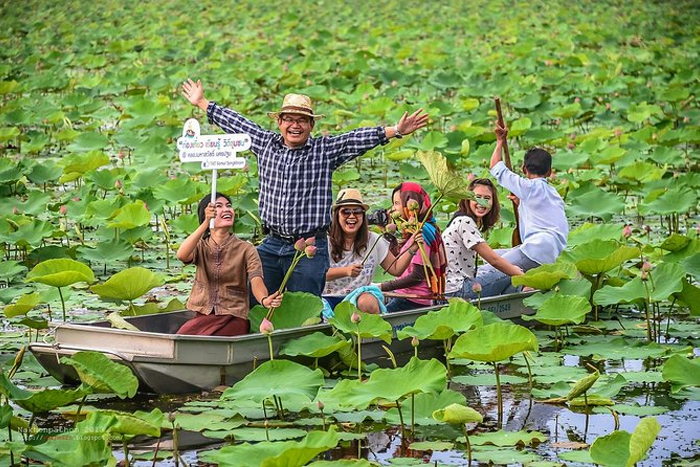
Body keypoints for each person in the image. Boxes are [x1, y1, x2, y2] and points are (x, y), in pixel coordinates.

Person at [181, 79, 429, 300]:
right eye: (289, 119)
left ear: (311, 125)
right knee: (257, 300)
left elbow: (355, 138)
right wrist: (202, 102)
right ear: (279, 122)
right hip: (271, 243)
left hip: (310, 245)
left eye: (301, 120)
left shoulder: (323, 150)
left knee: (305, 305)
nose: (294, 125)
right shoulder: (266, 145)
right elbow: (238, 124)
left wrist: (395, 131)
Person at [474, 124, 569, 291]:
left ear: (524, 169)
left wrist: (499, 141)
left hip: (536, 248)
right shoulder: (553, 193)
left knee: (491, 269)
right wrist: (521, 203)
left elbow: (496, 167)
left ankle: (458, 293)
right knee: (494, 255)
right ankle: (524, 290)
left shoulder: (528, 188)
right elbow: (542, 212)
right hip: (552, 252)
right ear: (549, 172)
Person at [176, 193, 282, 336]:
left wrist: (264, 300)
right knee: (183, 337)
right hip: (203, 316)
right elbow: (182, 255)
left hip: (233, 316)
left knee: (216, 337)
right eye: (219, 206)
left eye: (229, 206)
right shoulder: (200, 246)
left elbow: (256, 279)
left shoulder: (246, 249)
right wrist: (205, 224)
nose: (227, 209)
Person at [323, 188, 423, 314]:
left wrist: (412, 248)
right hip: (328, 297)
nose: (352, 216)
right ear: (337, 215)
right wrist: (346, 271)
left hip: (359, 296)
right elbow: (318, 274)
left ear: (363, 216)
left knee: (367, 301)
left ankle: (370, 333)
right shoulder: (325, 241)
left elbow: (396, 269)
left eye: (357, 212)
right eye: (346, 212)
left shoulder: (373, 239)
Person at [443, 178, 523, 299]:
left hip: (451, 288)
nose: (482, 202)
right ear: (468, 199)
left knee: (507, 272)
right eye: (478, 197)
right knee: (512, 272)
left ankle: (503, 309)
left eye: (487, 198)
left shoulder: (459, 219)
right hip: (459, 290)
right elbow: (494, 260)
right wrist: (524, 276)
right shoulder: (465, 222)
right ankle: (513, 307)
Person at [378, 182, 447, 313]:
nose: (393, 209)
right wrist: (387, 233)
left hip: (415, 301)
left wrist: (382, 286)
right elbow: (396, 262)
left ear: (411, 204)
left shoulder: (422, 232)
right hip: (402, 295)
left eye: (397, 203)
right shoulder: (414, 229)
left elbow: (417, 276)